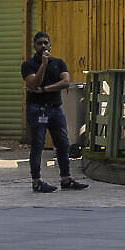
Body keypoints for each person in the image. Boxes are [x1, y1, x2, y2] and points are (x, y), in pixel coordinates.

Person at [21, 30, 89, 194]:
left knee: (63, 144)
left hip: (55, 109)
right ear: (34, 46)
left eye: (46, 43)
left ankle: (66, 179)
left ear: (50, 45)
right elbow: (33, 83)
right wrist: (43, 65)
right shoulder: (28, 65)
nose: (43, 46)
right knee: (38, 145)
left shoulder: (58, 63)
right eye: (39, 43)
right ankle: (36, 182)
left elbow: (66, 82)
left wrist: (45, 89)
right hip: (36, 109)